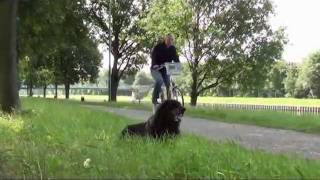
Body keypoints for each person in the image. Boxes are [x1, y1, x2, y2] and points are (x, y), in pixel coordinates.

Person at [150, 34, 180, 111]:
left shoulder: (173, 49)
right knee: (159, 80)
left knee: (168, 85)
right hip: (156, 69)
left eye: (172, 40)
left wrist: (178, 65)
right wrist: (155, 65)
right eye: (169, 39)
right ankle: (154, 99)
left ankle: (169, 104)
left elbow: (176, 59)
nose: (170, 41)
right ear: (165, 39)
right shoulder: (158, 47)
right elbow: (153, 57)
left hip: (165, 69)